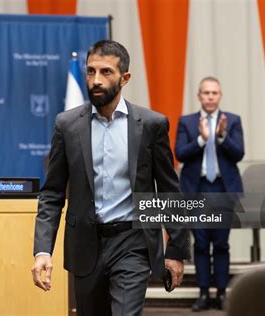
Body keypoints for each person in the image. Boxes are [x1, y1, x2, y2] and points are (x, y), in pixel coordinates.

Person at [31, 40, 190, 316]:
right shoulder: (67, 125)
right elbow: (52, 193)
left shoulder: (151, 124)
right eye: (91, 72)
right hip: (85, 245)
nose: (96, 80)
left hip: (132, 242)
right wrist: (42, 250)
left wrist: (176, 250)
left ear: (124, 78)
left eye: (106, 72)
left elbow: (168, 189)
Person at [175, 77, 244, 311]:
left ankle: (222, 293)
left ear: (220, 95)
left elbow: (239, 154)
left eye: (214, 93)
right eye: (206, 93)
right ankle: (203, 294)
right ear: (199, 96)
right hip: (197, 190)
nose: (211, 97)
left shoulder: (232, 121)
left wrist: (221, 137)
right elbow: (181, 154)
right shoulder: (187, 122)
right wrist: (202, 139)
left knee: (221, 244)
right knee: (201, 245)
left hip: (223, 190)